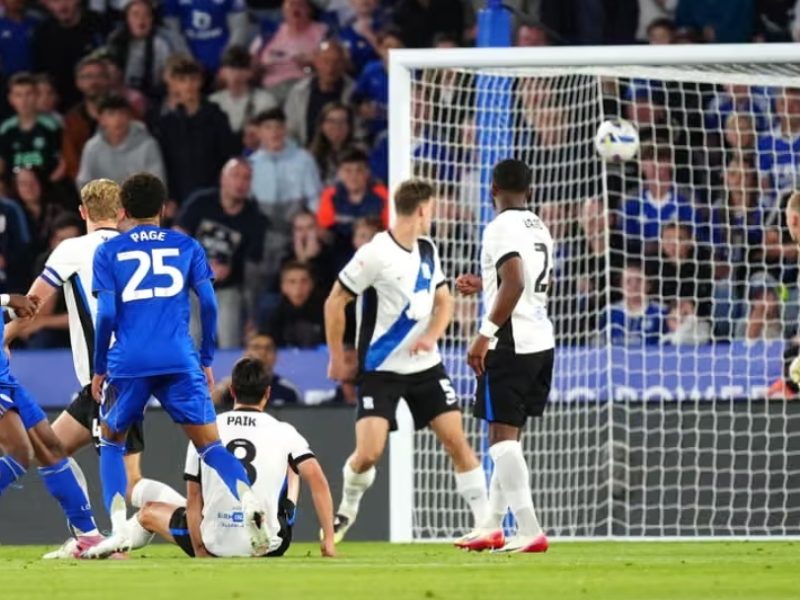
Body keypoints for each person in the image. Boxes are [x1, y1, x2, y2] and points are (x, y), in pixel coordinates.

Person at [85, 172, 270, 558]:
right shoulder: (187, 246)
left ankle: (118, 529)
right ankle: (249, 499)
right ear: (164, 209)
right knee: (211, 446)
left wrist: (99, 367)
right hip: (179, 358)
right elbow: (211, 304)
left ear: (122, 211)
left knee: (111, 441)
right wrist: (206, 358)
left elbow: (106, 315)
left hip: (130, 361)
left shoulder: (109, 252)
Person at [4, 178, 186, 558]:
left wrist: (4, 338)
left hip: (110, 379)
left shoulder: (71, 250)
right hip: (124, 374)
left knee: (130, 483)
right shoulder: (133, 249)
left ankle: (198, 523)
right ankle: (88, 536)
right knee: (51, 449)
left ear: (83, 212)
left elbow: (31, 304)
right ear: (121, 212)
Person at [325, 179, 488, 544]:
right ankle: (347, 507)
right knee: (368, 454)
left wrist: (431, 336)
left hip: (425, 367)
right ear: (422, 211)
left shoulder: (428, 249)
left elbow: (444, 301)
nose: (434, 216)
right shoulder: (374, 253)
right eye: (432, 210)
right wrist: (336, 357)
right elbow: (335, 301)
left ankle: (486, 525)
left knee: (456, 441)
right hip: (380, 369)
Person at [134, 358, 335, 557]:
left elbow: (194, 496)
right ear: (267, 393)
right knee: (294, 465)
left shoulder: (205, 429)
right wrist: (328, 539)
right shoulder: (284, 431)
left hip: (215, 544)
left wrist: (200, 550)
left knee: (149, 512)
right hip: (272, 546)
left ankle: (118, 543)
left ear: (231, 391)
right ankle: (271, 522)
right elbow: (317, 479)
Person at [456, 160, 550, 554]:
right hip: (540, 340)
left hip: (510, 343)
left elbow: (514, 282)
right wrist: (485, 284)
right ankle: (492, 526)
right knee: (508, 436)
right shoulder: (538, 226)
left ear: (492, 188)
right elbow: (518, 281)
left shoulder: (499, 227)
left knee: (499, 439)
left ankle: (529, 529)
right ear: (530, 190)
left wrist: (483, 336)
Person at [0, 292, 111, 557]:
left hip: (5, 378)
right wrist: (9, 299)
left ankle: (89, 537)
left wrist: (15, 319)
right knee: (20, 454)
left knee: (51, 448)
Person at [176, 158, 268, 349]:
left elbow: (253, 268)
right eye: (235, 176)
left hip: (228, 289)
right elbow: (176, 239)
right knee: (192, 338)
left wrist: (251, 316)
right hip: (190, 283)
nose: (240, 182)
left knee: (229, 341)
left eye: (246, 178)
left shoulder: (254, 218)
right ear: (223, 179)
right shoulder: (201, 202)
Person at [155, 55, 236, 207]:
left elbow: (227, 156)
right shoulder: (166, 123)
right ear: (174, 84)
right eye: (182, 80)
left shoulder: (217, 117)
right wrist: (169, 197)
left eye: (193, 79)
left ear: (200, 81)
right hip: (179, 199)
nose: (188, 85)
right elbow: (165, 164)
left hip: (214, 195)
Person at [316, 147, 388, 269]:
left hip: (373, 249)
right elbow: (324, 230)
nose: (353, 176)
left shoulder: (382, 194)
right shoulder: (330, 195)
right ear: (339, 173)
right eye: (348, 171)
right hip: (340, 250)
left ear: (367, 173)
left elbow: (388, 228)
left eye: (359, 170)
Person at [77, 94, 166, 188]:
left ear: (129, 117)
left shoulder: (148, 145)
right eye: (111, 114)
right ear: (102, 120)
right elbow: (84, 183)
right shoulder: (92, 148)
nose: (118, 119)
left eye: (122, 113)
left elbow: (157, 185)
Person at [251, 0, 328, 103]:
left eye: (300, 5)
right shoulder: (269, 32)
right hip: (270, 89)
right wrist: (258, 69)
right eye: (291, 5)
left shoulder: (323, 33)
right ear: (283, 10)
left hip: (305, 86)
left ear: (310, 10)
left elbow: (331, 62)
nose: (296, 9)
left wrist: (309, 67)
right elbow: (250, 66)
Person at [31, 0, 104, 110]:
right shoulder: (42, 32)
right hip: (59, 104)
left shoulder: (99, 24)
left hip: (99, 99)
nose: (62, 6)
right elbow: (40, 73)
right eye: (55, 1)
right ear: (46, 4)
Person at [284, 40, 355, 147]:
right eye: (326, 61)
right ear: (316, 62)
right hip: (305, 152)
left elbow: (359, 134)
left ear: (344, 65)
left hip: (343, 153)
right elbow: (290, 131)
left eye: (337, 62)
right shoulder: (299, 91)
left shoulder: (355, 92)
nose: (331, 68)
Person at [106, 0, 181, 99]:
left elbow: (169, 75)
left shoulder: (161, 44)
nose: (141, 20)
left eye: (146, 15)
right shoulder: (115, 42)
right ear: (126, 18)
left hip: (153, 97)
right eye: (135, 15)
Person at [0, 72, 64, 184]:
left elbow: (64, 162)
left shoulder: (52, 126)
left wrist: (49, 185)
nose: (24, 100)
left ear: (37, 96)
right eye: (18, 95)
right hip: (14, 188)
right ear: (11, 99)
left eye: (28, 94)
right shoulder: (5, 129)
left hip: (48, 186)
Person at [212, 334, 302, 408]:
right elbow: (210, 412)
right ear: (246, 353)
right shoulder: (229, 387)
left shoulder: (288, 391)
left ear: (276, 356)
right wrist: (223, 388)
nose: (262, 353)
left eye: (268, 349)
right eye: (256, 347)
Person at [163, 0, 248, 75]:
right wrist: (188, 62)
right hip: (188, 65)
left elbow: (239, 29)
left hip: (224, 65)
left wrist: (228, 63)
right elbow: (172, 32)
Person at [209, 46, 278, 138]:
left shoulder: (265, 101)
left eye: (240, 67)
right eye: (230, 67)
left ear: (250, 72)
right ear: (222, 72)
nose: (235, 72)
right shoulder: (213, 102)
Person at [62, 56, 112, 182]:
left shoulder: (127, 114)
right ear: (78, 83)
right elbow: (71, 161)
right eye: (88, 77)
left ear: (108, 80)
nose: (94, 82)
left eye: (99, 76)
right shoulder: (72, 120)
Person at [260, 260, 325, 348]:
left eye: (304, 281)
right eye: (292, 282)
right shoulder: (272, 312)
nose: (298, 287)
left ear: (311, 285)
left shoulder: (325, 310)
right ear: (283, 287)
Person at [602, 263, 669, 345]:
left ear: (648, 285)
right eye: (628, 281)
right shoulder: (610, 312)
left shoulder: (661, 311)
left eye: (639, 280)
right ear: (621, 287)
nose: (634, 286)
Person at [308, 102, 356, 186]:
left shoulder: (362, 153)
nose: (337, 126)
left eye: (342, 121)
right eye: (331, 121)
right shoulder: (309, 157)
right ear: (322, 125)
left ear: (350, 126)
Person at [0, 0, 39, 78]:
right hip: (8, 78)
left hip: (36, 77)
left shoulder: (37, 23)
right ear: (2, 2)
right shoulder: (1, 25)